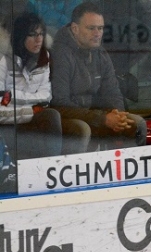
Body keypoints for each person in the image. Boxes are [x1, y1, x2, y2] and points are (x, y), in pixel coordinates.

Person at [50, 2, 147, 150]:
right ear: (75, 29)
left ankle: (126, 171)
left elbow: (113, 93)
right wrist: (101, 118)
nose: (97, 33)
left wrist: (118, 115)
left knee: (137, 123)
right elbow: (60, 104)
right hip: (68, 118)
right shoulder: (61, 54)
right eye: (91, 28)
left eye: (100, 28)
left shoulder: (101, 53)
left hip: (96, 116)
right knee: (82, 129)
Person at [0, 12, 90, 158]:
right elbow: (1, 107)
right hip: (11, 125)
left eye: (41, 34)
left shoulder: (44, 58)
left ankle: (61, 170)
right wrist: (32, 110)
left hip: (36, 119)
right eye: (32, 35)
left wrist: (13, 96)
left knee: (76, 127)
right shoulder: (4, 62)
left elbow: (45, 96)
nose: (38, 39)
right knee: (50, 116)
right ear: (20, 37)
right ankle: (51, 166)